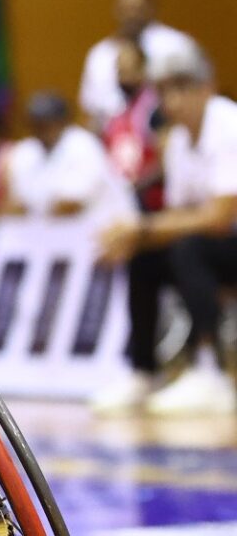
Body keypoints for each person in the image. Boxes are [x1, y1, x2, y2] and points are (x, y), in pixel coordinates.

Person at [100, 44, 237, 414]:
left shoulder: (228, 123)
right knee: (145, 256)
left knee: (187, 248)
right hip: (214, 245)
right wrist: (134, 236)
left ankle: (213, 369)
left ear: (207, 87)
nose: (173, 100)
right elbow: (180, 216)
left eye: (182, 88)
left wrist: (142, 227)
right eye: (165, 91)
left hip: (225, 239)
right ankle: (143, 371)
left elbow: (220, 215)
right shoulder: (176, 142)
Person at [92, 40, 174, 413]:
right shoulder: (114, 117)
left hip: (164, 216)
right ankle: (142, 369)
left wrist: (135, 187)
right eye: (118, 68)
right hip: (131, 218)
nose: (123, 74)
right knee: (136, 278)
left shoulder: (157, 110)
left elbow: (167, 160)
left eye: (130, 67)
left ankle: (204, 366)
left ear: (145, 69)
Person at [78, 0, 193, 132]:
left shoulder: (174, 46)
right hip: (113, 144)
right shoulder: (99, 55)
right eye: (126, 8)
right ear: (115, 9)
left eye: (137, 8)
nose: (131, 15)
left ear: (152, 8)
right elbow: (90, 112)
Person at [6, 92, 132, 220]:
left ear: (62, 122)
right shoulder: (27, 150)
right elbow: (17, 204)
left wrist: (34, 208)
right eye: (35, 124)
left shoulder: (83, 145)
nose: (40, 130)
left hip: (104, 226)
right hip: (52, 230)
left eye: (46, 124)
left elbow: (70, 206)